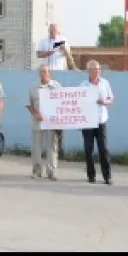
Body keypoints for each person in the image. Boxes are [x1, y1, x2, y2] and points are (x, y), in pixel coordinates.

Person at [36, 23, 74, 157]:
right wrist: (48, 52)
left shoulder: (63, 40)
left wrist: (65, 51)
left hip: (59, 73)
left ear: (58, 31)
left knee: (58, 103)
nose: (52, 33)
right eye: (51, 31)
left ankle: (59, 132)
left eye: (54, 31)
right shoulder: (43, 41)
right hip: (46, 72)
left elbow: (69, 58)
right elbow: (38, 54)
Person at [79, 60, 114, 185]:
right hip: (88, 122)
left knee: (103, 148)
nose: (98, 71)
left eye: (99, 69)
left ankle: (107, 176)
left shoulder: (105, 83)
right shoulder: (83, 85)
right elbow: (78, 103)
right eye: (95, 69)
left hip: (101, 120)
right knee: (88, 149)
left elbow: (111, 99)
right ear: (89, 71)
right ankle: (91, 175)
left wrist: (105, 102)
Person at [26, 64, 61, 180]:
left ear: (49, 73)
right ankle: (36, 171)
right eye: (41, 72)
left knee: (52, 147)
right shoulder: (33, 87)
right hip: (38, 121)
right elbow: (28, 104)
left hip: (52, 122)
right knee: (36, 147)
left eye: (45, 72)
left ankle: (52, 171)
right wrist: (35, 113)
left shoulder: (56, 86)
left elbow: (63, 102)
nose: (43, 74)